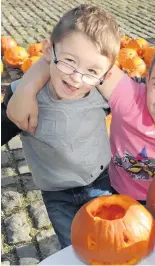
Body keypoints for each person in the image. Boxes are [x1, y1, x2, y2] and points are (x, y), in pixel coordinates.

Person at [7, 36, 155, 204]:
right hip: (116, 192)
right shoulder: (127, 95)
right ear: (148, 79)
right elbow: (71, 54)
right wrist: (26, 90)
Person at [3, 4, 121, 248]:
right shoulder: (24, 100)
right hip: (56, 193)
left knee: (105, 242)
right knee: (73, 247)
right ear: (48, 50)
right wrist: (25, 90)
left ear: (104, 75)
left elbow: (138, 101)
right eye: (69, 61)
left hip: (98, 181)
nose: (76, 78)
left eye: (91, 70)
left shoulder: (101, 94)